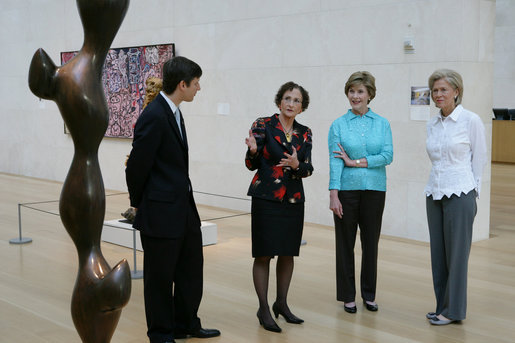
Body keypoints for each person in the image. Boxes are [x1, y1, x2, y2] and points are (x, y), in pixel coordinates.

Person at [126, 56, 220, 343]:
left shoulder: (175, 113)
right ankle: (161, 333)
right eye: (196, 83)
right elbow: (136, 167)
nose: (199, 88)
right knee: (160, 278)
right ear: (182, 84)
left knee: (191, 270)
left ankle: (186, 324)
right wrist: (141, 204)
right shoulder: (154, 116)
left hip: (183, 210)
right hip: (160, 212)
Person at [245, 81, 313, 333]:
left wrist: (297, 165)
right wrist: (253, 151)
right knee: (263, 254)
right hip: (266, 197)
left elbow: (308, 169)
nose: (291, 104)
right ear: (279, 101)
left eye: (296, 100)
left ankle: (281, 304)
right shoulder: (262, 124)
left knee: (287, 253)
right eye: (287, 98)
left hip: (294, 199)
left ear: (302, 106)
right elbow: (251, 164)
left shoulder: (305, 132)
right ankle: (263, 308)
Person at [424, 69, 487, 325]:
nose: (438, 95)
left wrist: (473, 194)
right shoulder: (432, 123)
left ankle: (454, 311)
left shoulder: (470, 120)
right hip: (434, 193)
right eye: (435, 90)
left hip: (461, 193)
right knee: (439, 256)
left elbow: (479, 159)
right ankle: (442, 306)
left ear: (456, 92)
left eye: (443, 90)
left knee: (457, 256)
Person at [328, 71, 393, 314]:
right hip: (346, 191)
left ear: (370, 95)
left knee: (370, 243)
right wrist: (333, 193)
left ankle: (369, 294)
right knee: (345, 243)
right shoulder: (338, 125)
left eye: (360, 92)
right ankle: (347, 295)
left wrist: (355, 162)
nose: (355, 96)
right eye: (352, 91)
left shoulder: (382, 123)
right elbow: (335, 161)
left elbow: (388, 156)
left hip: (375, 190)